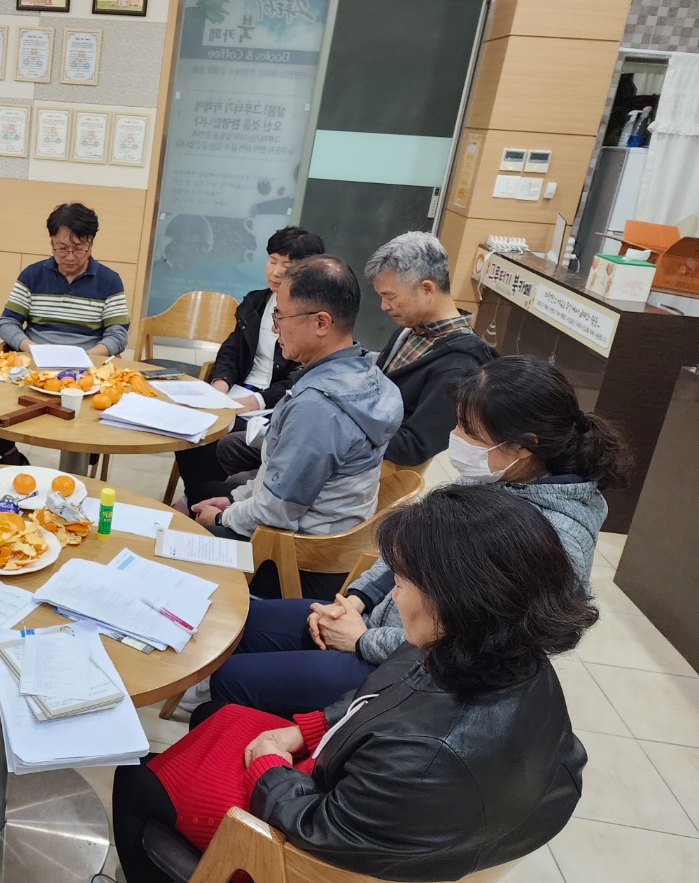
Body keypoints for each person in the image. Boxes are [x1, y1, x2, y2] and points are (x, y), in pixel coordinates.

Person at [89, 483, 598, 883]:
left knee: (135, 780)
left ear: (454, 599)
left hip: (319, 860)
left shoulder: (426, 752)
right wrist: (307, 728)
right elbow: (379, 698)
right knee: (214, 717)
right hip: (376, 803)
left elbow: (319, 830)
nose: (393, 594)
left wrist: (268, 769)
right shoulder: (508, 661)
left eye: (404, 582)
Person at [210, 353, 629, 716]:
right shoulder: (497, 478)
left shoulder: (548, 537)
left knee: (231, 678)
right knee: (240, 623)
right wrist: (356, 599)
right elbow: (408, 551)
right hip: (377, 624)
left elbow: (471, 647)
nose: (455, 440)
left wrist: (362, 641)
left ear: (523, 445)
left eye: (469, 430)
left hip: (414, 674)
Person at [190, 255, 402, 599]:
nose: (275, 328)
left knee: (178, 540)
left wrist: (220, 519)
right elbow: (279, 481)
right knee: (209, 495)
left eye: (281, 316)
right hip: (331, 550)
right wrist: (233, 501)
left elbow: (275, 512)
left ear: (321, 323)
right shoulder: (367, 374)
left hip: (298, 561)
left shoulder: (318, 408)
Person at [0, 201, 130, 464]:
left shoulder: (109, 281)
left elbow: (118, 333)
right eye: (61, 248)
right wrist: (30, 347)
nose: (70, 256)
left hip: (85, 370)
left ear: (91, 243)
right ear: (51, 242)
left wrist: (89, 356)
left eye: (79, 248)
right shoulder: (33, 275)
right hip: (34, 364)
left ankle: (73, 463)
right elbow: (7, 322)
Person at [174, 226, 325, 505]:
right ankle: (196, 499)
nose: (276, 272)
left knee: (222, 436)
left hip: (276, 404)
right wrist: (219, 386)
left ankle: (200, 502)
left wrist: (256, 401)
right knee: (187, 425)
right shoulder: (255, 302)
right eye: (272, 261)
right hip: (238, 392)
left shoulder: (310, 317)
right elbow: (231, 351)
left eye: (286, 265)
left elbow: (302, 375)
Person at [366, 231, 496, 467]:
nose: (384, 306)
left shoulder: (459, 365)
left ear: (427, 289)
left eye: (390, 296)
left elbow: (415, 446)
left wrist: (349, 428)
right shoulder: (410, 330)